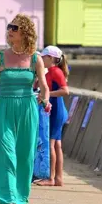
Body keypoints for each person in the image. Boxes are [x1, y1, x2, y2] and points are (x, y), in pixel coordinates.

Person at [0, 14, 50, 204]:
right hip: (4, 109)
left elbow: (44, 86)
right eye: (9, 27)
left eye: (14, 27)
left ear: (25, 31)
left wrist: (46, 100)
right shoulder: (0, 58)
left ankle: (21, 199)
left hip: (27, 109)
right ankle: (8, 200)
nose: (10, 30)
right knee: (5, 154)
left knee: (24, 156)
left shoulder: (36, 58)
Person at [35, 46, 69, 187]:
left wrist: (46, 96)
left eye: (43, 57)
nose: (41, 59)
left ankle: (51, 177)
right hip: (56, 110)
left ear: (51, 58)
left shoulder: (56, 71)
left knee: (51, 144)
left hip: (56, 111)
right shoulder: (50, 72)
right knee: (57, 145)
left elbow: (65, 91)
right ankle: (58, 178)